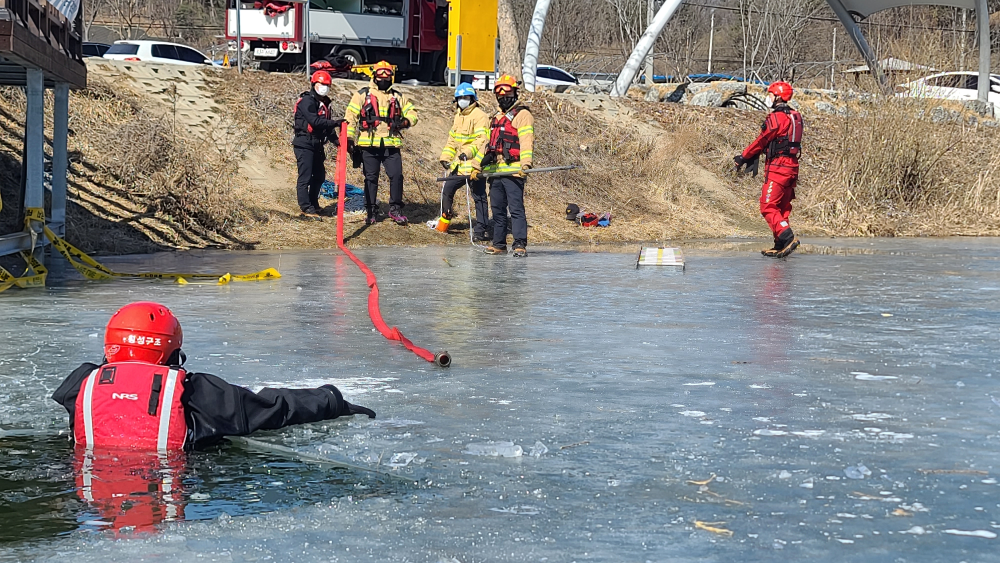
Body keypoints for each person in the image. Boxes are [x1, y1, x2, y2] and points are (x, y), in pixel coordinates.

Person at [51, 302, 375, 452]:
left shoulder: (80, 383)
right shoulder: (194, 392)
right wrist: (331, 400)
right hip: (173, 475)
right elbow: (271, 407)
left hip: (91, 481)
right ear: (170, 351)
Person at [734, 81, 803, 258]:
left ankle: (786, 236)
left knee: (768, 206)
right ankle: (780, 243)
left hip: (778, 168)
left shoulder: (777, 118)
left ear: (778, 96)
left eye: (771, 94)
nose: (768, 97)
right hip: (792, 168)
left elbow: (762, 140)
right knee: (782, 207)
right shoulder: (795, 116)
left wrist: (743, 157)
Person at [345, 61, 418, 225]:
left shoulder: (398, 96)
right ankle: (371, 212)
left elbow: (413, 113)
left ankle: (395, 210)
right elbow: (350, 117)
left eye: (387, 76)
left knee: (397, 176)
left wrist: (405, 122)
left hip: (391, 145)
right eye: (380, 75)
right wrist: (349, 139)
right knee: (371, 178)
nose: (384, 79)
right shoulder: (362, 95)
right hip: (368, 145)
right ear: (374, 76)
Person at [475, 74, 534, 258]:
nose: (503, 97)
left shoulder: (523, 115)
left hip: (514, 170)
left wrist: (526, 164)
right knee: (498, 210)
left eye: (507, 93)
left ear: (515, 93)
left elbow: (526, 141)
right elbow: (485, 144)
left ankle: (519, 244)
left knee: (516, 209)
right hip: (495, 171)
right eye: (499, 94)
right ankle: (499, 244)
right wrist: (476, 166)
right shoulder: (495, 118)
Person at [437, 82, 490, 240]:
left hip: (475, 165)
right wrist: (446, 157)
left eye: (466, 97)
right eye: (460, 98)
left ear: (473, 98)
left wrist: (468, 153)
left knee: (479, 197)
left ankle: (481, 229)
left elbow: (482, 140)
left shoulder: (480, 116)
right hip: (459, 166)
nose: (463, 101)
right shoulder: (458, 116)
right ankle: (445, 220)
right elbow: (452, 140)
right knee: (447, 190)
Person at [293, 70, 345, 218]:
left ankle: (313, 203)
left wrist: (336, 141)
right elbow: (315, 121)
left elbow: (325, 126)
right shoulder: (307, 101)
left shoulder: (325, 103)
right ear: (314, 84)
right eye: (321, 84)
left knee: (320, 176)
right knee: (305, 176)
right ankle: (305, 206)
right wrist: (335, 122)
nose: (324, 87)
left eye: (327, 85)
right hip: (304, 143)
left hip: (317, 144)